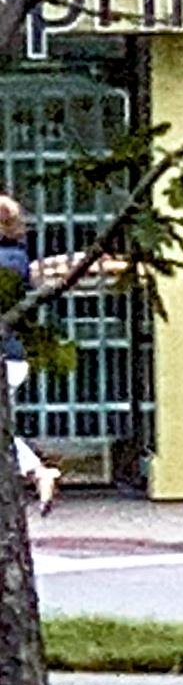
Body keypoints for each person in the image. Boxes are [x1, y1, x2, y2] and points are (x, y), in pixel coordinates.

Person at [0, 195, 58, 514]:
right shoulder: (17, 256)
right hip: (13, 355)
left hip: (4, 357)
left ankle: (36, 470)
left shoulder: (6, 260)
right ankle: (37, 471)